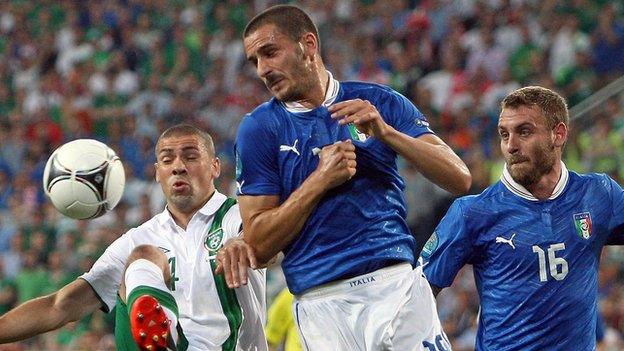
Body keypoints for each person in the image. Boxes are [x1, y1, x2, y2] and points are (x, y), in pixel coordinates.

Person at [235, 5, 471, 350]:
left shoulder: (379, 102)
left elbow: (458, 177)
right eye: (254, 61)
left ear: (308, 44)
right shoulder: (258, 129)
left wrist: (387, 133)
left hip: (394, 287)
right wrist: (320, 180)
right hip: (320, 304)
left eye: (270, 52)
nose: (263, 70)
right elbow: (257, 243)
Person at [0, 124, 268, 351]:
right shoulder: (138, 238)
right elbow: (61, 306)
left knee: (144, 255)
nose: (178, 167)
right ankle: (166, 335)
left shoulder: (240, 217)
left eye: (190, 156)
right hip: (159, 343)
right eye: (167, 160)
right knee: (143, 255)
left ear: (215, 166)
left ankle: (167, 330)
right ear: (157, 173)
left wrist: (249, 242)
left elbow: (277, 249)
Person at [421, 86, 624, 350]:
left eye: (524, 132)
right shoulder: (473, 212)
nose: (511, 146)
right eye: (504, 134)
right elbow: (417, 293)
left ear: (558, 134)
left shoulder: (598, 195)